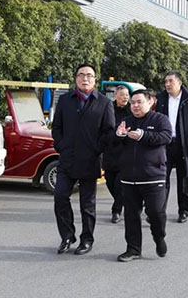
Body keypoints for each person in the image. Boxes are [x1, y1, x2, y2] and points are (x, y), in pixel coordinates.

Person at [51, 64, 115, 255]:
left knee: (87, 204)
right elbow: (57, 127)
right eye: (81, 75)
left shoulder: (104, 103)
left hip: (89, 160)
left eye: (89, 75)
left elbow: (109, 132)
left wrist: (97, 149)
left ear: (95, 80)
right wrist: (61, 146)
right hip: (67, 159)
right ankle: (67, 236)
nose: (85, 78)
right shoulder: (65, 100)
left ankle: (87, 239)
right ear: (76, 78)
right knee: (60, 196)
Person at [114, 89, 172, 262]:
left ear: (150, 102)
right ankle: (133, 249)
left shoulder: (160, 119)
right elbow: (113, 143)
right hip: (129, 177)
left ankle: (159, 237)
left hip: (153, 176)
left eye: (139, 102)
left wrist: (143, 135)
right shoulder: (126, 121)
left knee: (155, 212)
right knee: (131, 215)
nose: (135, 106)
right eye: (133, 103)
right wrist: (118, 135)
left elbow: (166, 137)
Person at [156, 71, 188, 224]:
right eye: (166, 81)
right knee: (161, 178)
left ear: (179, 82)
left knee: (184, 179)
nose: (167, 84)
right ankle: (159, 212)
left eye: (171, 81)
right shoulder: (161, 98)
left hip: (185, 144)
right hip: (165, 144)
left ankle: (183, 210)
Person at [102, 85, 132, 223]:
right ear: (115, 96)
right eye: (122, 95)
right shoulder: (108, 108)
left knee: (119, 184)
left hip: (125, 152)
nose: (125, 97)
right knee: (110, 182)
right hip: (110, 152)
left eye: (127, 95)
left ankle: (116, 210)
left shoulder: (131, 110)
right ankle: (124, 201)